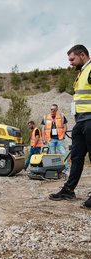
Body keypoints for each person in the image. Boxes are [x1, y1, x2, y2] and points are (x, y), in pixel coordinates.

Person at [49, 44, 91, 208]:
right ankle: (69, 190)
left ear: (82, 55)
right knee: (76, 157)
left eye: (72, 59)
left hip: (90, 120)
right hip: (80, 122)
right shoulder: (81, 73)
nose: (70, 63)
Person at [41, 104, 69, 171]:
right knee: (52, 155)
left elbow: (65, 126)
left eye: (53, 109)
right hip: (50, 139)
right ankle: (55, 169)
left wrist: (64, 134)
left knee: (63, 153)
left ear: (56, 110)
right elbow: (43, 128)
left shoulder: (61, 116)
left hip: (60, 139)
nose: (52, 110)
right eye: (51, 109)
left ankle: (66, 168)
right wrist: (43, 138)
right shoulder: (46, 117)